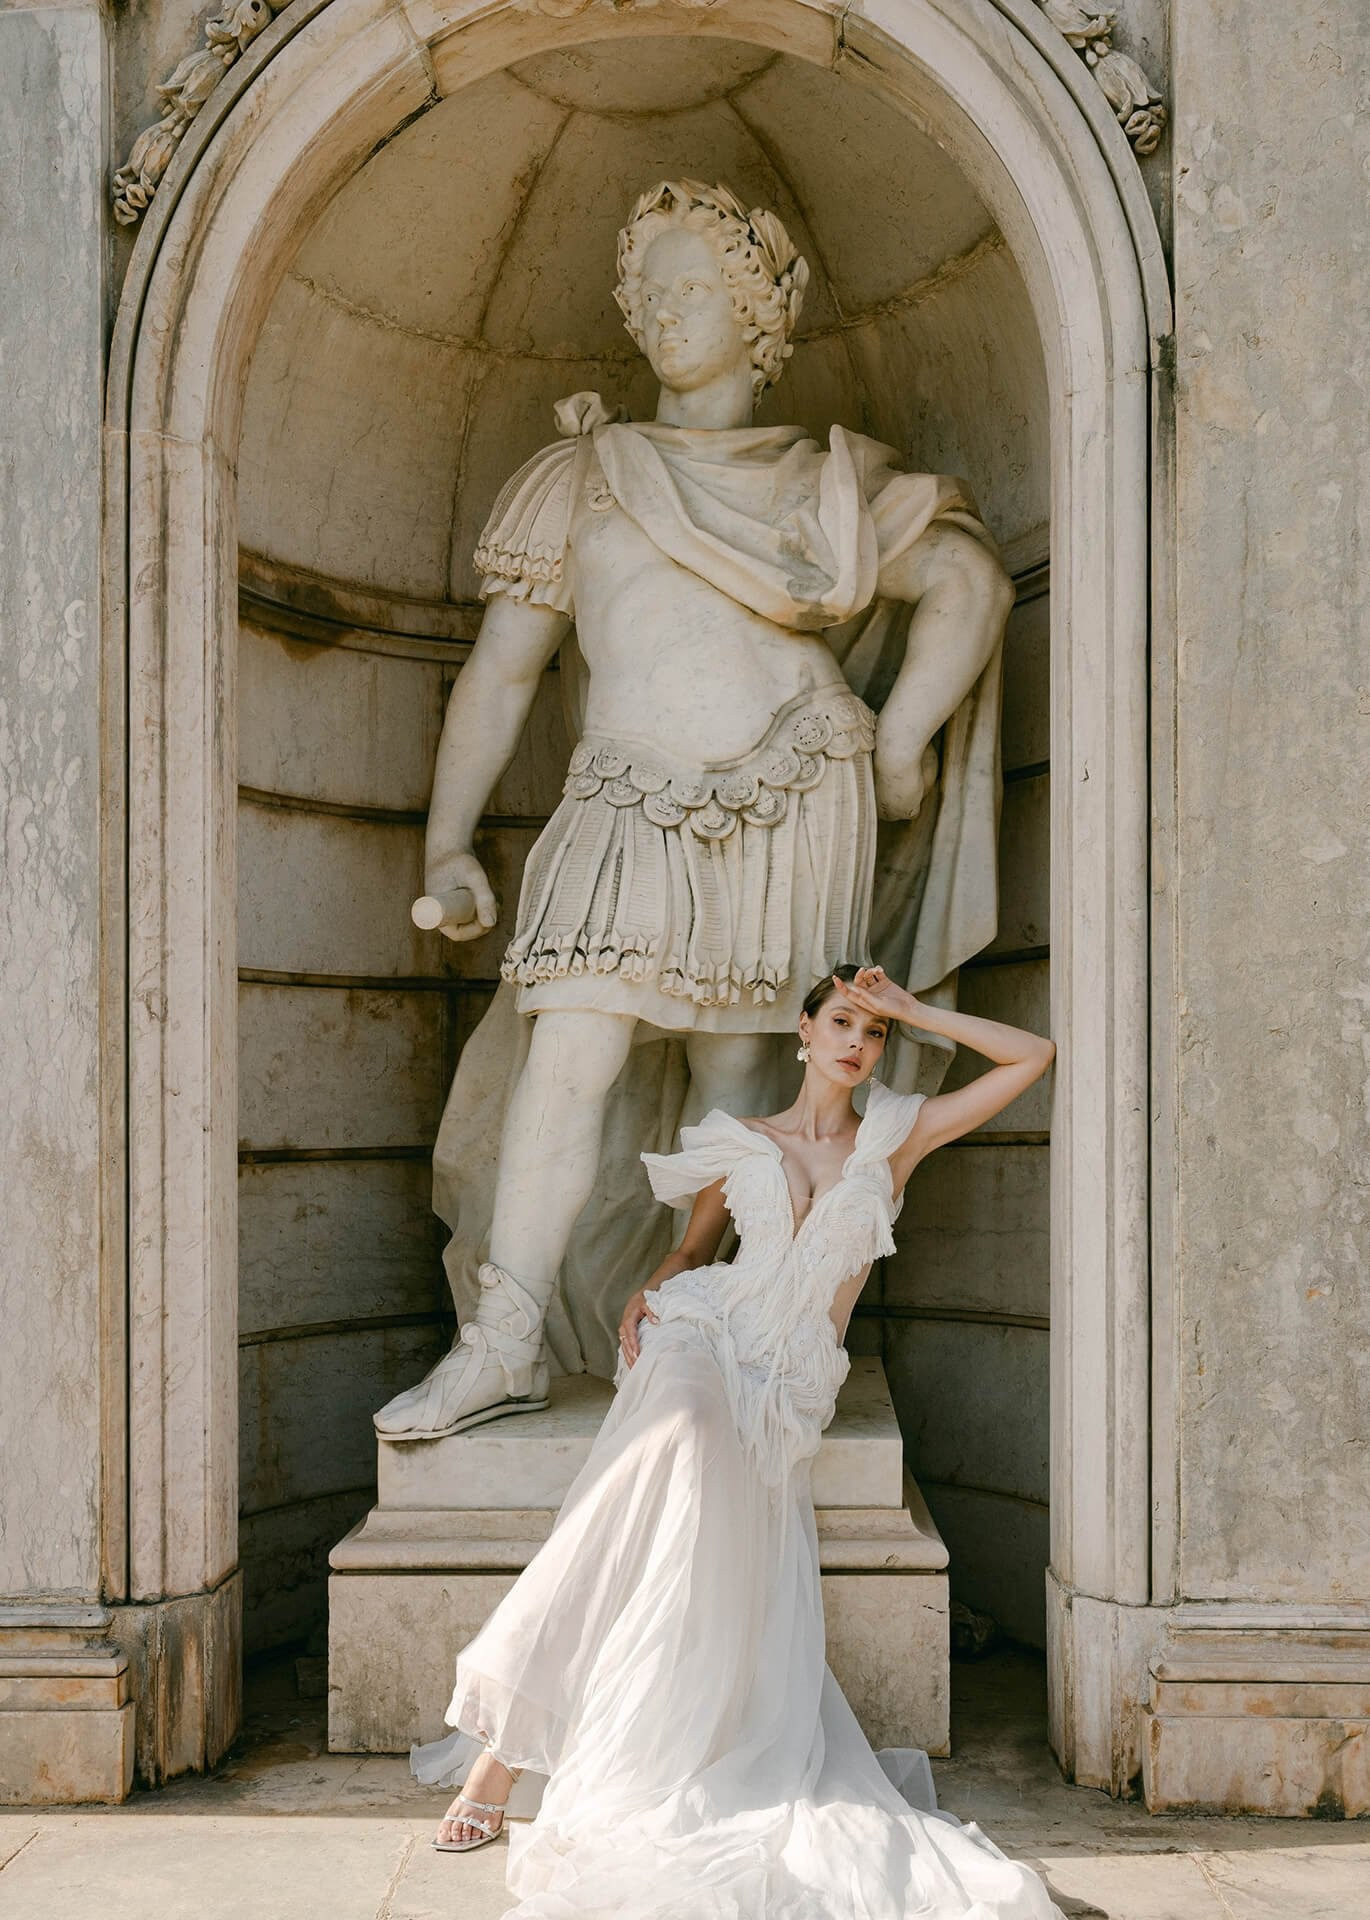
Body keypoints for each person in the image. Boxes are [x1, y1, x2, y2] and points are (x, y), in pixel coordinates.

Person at [375, 181, 1012, 1443]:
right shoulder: (579, 474)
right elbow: (501, 674)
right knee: (571, 1051)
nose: (669, 313)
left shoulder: (821, 478)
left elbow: (969, 581)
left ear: (762, 315)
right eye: (652, 291)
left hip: (795, 782)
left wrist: (895, 748)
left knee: (738, 1083)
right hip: (622, 789)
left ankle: (702, 1330)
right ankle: (501, 1338)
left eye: (699, 289)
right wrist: (447, 840)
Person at [425, 963, 1059, 1919]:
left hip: (790, 1374)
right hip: (701, 1329)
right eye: (842, 1022)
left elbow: (1033, 1054)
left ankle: (506, 1750)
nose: (858, 1042)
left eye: (872, 1031)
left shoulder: (897, 1138)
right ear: (802, 1034)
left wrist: (915, 1009)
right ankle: (498, 1758)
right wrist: (657, 1283)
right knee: (675, 1435)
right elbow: (693, 1253)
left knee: (659, 1489)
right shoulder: (739, 1142)